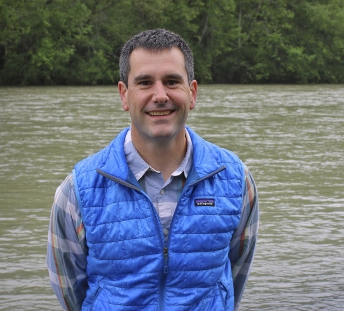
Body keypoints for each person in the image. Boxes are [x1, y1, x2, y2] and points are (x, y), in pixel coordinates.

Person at [47, 29, 259, 311]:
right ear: (124, 96)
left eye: (172, 81)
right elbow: (71, 293)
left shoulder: (235, 180)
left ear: (192, 93)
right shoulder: (77, 191)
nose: (160, 96)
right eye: (145, 83)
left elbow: (234, 279)